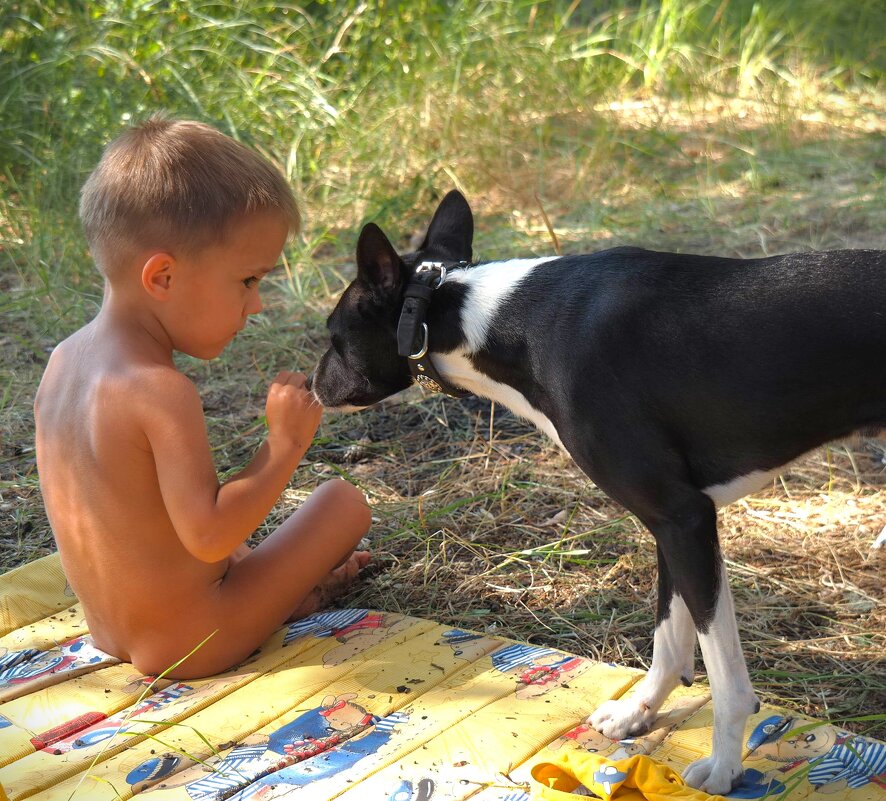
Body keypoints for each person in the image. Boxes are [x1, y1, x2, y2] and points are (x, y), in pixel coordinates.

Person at [33, 116, 372, 678]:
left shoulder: (63, 361)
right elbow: (210, 536)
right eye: (248, 281)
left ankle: (276, 594)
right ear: (163, 277)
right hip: (194, 642)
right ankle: (282, 601)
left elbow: (146, 523)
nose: (256, 304)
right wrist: (284, 445)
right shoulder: (159, 390)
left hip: (109, 631)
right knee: (343, 503)